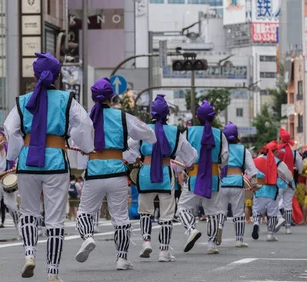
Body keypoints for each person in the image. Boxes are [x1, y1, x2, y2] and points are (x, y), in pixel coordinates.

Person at [4, 52, 94, 282]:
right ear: (57, 75)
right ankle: (52, 272)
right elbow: (84, 124)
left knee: (29, 213)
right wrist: (84, 147)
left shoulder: (22, 101)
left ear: (34, 74)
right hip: (55, 161)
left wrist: (14, 154)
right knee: (55, 219)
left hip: (28, 161)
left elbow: (10, 128)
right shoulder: (67, 99)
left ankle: (29, 255)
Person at [74, 79, 156, 270]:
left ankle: (87, 237)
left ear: (94, 97)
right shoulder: (122, 116)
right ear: (111, 97)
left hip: (94, 170)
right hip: (117, 171)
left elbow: (76, 138)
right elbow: (148, 134)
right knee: (120, 217)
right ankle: (121, 258)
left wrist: (88, 147)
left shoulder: (86, 118)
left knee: (85, 212)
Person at [124, 94, 195, 263]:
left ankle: (146, 242)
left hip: (145, 173)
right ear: (167, 113)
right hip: (165, 172)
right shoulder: (175, 132)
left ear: (152, 112)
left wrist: (135, 158)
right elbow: (190, 154)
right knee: (166, 214)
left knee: (145, 211)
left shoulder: (142, 128)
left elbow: (129, 149)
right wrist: (189, 163)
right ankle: (164, 251)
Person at [176, 100, 228, 254]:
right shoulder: (220, 134)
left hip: (193, 177)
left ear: (197, 117)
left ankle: (191, 230)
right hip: (213, 178)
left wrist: (181, 169)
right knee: (212, 211)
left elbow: (181, 155)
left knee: (183, 208)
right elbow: (224, 157)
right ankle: (212, 245)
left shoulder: (188, 132)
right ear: (212, 118)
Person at [216, 122, 258, 248]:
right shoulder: (243, 150)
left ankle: (218, 229)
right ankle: (239, 239)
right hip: (237, 182)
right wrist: (254, 184)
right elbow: (252, 169)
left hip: (222, 182)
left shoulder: (220, 149)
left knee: (220, 211)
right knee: (238, 212)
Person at [252, 141, 293, 241]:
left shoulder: (257, 160)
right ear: (274, 151)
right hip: (272, 190)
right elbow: (289, 176)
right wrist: (287, 178)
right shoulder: (278, 161)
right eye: (276, 151)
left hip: (259, 188)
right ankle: (270, 234)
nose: (278, 153)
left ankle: (256, 222)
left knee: (257, 209)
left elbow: (251, 173)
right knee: (272, 212)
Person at [277, 128, 303, 234]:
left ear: (280, 139)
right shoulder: (294, 152)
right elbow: (300, 166)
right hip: (290, 181)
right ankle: (288, 227)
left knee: (274, 202)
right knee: (288, 204)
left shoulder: (276, 151)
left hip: (278, 181)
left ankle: (278, 219)